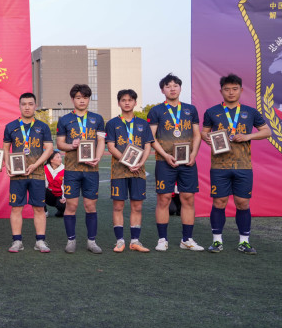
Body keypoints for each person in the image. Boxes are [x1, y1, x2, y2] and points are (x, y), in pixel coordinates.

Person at [202, 73, 271, 254]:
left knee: (242, 203)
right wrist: (207, 138)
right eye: (227, 89)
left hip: (243, 166)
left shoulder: (251, 112)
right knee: (219, 202)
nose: (231, 92)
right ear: (221, 91)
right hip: (219, 166)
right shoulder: (211, 111)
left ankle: (244, 242)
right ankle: (217, 241)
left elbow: (267, 131)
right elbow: (204, 132)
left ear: (241, 90)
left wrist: (248, 136)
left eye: (234, 89)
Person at [147, 73, 203, 251]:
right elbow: (151, 137)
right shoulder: (156, 111)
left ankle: (187, 239)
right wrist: (165, 155)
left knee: (188, 199)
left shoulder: (190, 109)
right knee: (163, 199)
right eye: (168, 86)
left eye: (175, 85)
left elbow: (197, 134)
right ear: (162, 90)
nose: (172, 89)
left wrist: (194, 154)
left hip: (188, 162)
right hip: (165, 161)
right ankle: (162, 240)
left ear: (180, 88)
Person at [56, 84, 106, 254]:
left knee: (90, 205)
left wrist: (97, 157)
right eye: (78, 98)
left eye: (85, 97)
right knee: (71, 205)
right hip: (72, 169)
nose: (82, 100)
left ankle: (91, 241)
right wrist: (72, 145)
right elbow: (60, 144)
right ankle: (71, 240)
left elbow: (101, 141)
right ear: (73, 100)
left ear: (89, 99)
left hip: (91, 170)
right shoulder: (64, 119)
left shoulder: (97, 118)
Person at [3, 92, 54, 253]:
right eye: (24, 104)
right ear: (19, 106)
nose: (27, 107)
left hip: (37, 173)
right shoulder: (11, 126)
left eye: (30, 104)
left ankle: (40, 241)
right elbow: (5, 149)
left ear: (35, 106)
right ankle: (17, 241)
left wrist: (36, 165)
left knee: (39, 208)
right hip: (17, 175)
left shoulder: (43, 127)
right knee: (16, 208)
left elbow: (49, 149)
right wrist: (7, 165)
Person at [105, 89, 154, 253]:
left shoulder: (143, 124)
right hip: (119, 171)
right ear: (119, 103)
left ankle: (135, 241)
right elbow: (111, 146)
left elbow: (147, 145)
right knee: (118, 206)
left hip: (138, 171)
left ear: (135, 102)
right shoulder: (112, 123)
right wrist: (127, 161)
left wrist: (140, 162)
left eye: (130, 100)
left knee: (137, 206)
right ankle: (120, 241)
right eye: (123, 100)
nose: (127, 103)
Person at [44, 150, 66, 217]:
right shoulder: (45, 168)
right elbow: (44, 184)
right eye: (58, 157)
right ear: (51, 160)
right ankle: (44, 211)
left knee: (63, 206)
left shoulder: (64, 169)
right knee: (39, 189)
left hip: (60, 195)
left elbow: (65, 185)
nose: (60, 159)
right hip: (49, 194)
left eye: (60, 157)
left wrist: (64, 197)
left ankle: (61, 211)